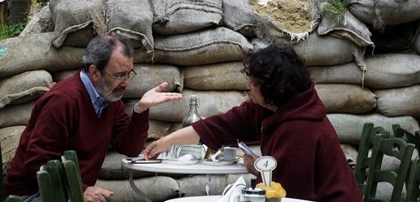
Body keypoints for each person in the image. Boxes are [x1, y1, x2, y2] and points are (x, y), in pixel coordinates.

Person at [144, 44, 362, 202]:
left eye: (254, 82)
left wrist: (255, 168)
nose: (248, 86)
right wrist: (166, 142)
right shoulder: (265, 108)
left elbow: (287, 192)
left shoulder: (301, 128)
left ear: (273, 88)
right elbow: (220, 126)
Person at [4, 34, 183, 202]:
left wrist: (141, 109)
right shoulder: (63, 101)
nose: (126, 83)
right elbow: (38, 162)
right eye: (119, 75)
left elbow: (129, 147)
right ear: (94, 72)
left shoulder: (109, 99)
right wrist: (80, 190)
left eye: (129, 74)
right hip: (33, 195)